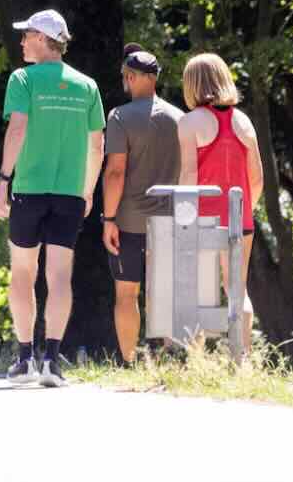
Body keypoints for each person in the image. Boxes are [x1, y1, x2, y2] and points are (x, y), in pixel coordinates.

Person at [0, 10, 105, 388]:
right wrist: (88, 190)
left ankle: (24, 359)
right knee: (59, 275)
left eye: (26, 35)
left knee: (23, 272)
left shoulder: (23, 79)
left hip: (29, 190)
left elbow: (18, 128)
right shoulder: (87, 86)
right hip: (70, 193)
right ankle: (52, 362)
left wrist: (3, 179)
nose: (22, 41)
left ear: (43, 37)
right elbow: (97, 145)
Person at [176, 53, 264, 358]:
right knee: (237, 289)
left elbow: (188, 174)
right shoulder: (244, 121)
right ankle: (242, 361)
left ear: (193, 84)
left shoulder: (189, 123)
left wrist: (182, 216)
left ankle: (196, 360)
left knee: (199, 291)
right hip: (241, 219)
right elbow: (257, 179)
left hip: (204, 218)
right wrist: (242, 211)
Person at [101, 45, 183, 363]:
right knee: (165, 295)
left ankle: (130, 362)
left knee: (126, 294)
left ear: (132, 77)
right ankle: (170, 361)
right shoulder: (180, 118)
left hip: (129, 222)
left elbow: (115, 172)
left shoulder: (120, 117)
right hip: (170, 219)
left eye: (125, 76)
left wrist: (109, 219)